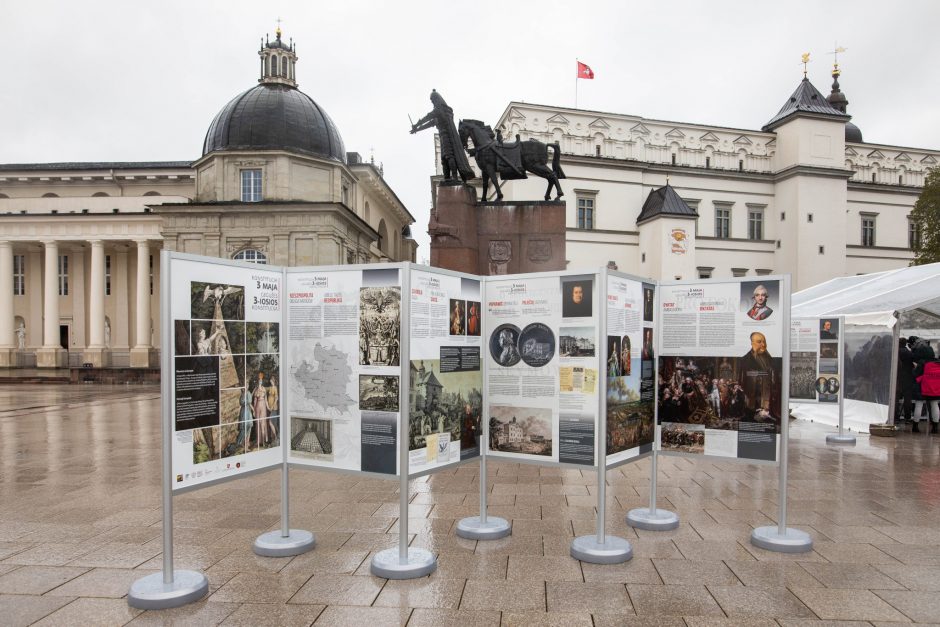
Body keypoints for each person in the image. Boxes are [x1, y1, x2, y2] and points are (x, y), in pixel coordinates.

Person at [410, 90, 475, 183]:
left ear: (437, 99)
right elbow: (429, 123)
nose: (432, 102)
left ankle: (454, 177)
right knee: (444, 159)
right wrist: (416, 129)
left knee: (449, 156)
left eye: (433, 100)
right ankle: (447, 178)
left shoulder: (440, 110)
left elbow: (427, 117)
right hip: (443, 137)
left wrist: (416, 125)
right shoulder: (441, 112)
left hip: (446, 136)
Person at [741, 331, 777, 419]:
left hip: (765, 394)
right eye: (759, 342)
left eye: (764, 341)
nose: (763, 344)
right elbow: (743, 378)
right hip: (751, 394)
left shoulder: (770, 359)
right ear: (752, 343)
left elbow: (773, 377)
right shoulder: (746, 359)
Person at [913, 356, 940, 434]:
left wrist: (915, 368)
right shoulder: (938, 362)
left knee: (919, 405)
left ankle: (915, 427)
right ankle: (935, 428)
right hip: (935, 387)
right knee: (935, 405)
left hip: (922, 387)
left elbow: (915, 374)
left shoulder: (922, 362)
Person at [897, 337, 915, 423]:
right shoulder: (909, 353)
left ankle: (895, 417)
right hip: (908, 378)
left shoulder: (896, 352)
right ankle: (907, 417)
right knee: (907, 399)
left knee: (895, 398)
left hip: (897, 378)